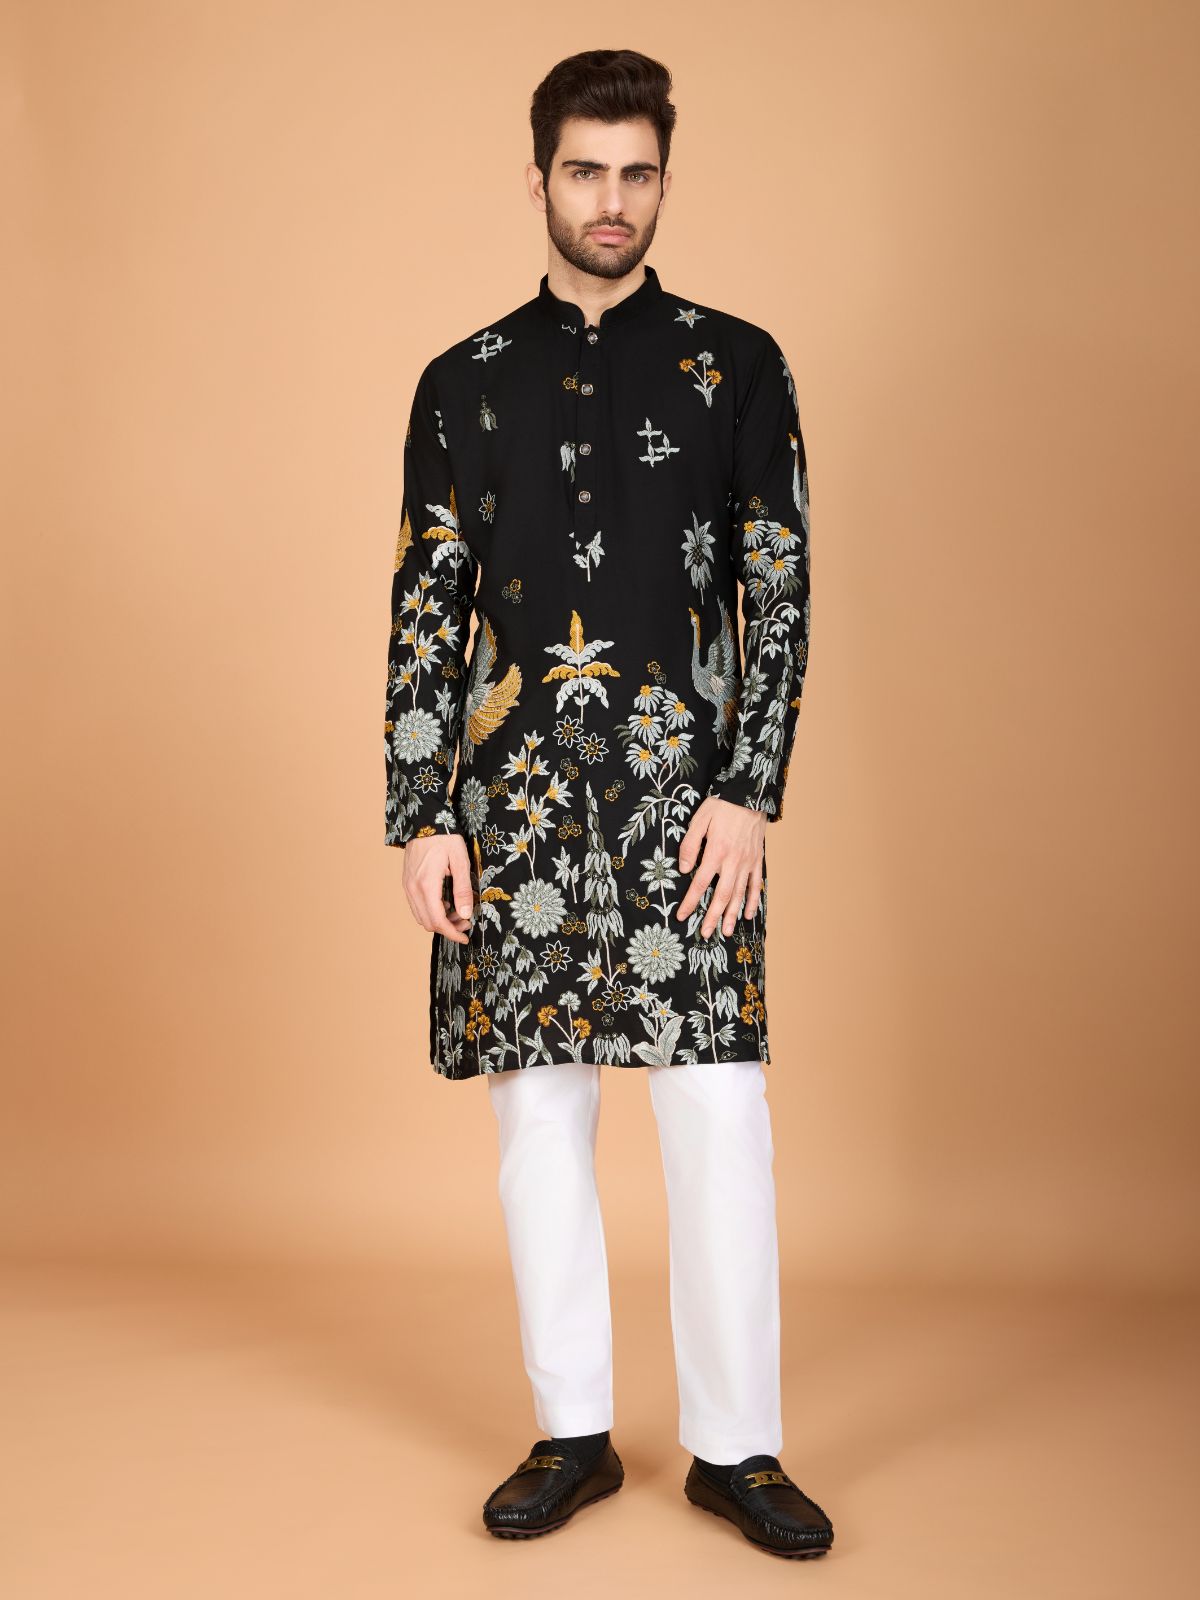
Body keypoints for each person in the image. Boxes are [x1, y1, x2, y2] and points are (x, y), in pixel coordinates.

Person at [383, 48, 834, 1559]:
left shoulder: (738, 366)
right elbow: (427, 613)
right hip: (513, 812)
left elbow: (779, 594)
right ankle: (571, 1430)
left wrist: (750, 793)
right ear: (540, 180)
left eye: (637, 172)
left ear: (664, 181)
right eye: (585, 170)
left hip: (689, 812)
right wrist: (423, 811)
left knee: (720, 1116)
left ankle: (737, 1447)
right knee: (538, 1126)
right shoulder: (461, 384)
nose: (612, 200)